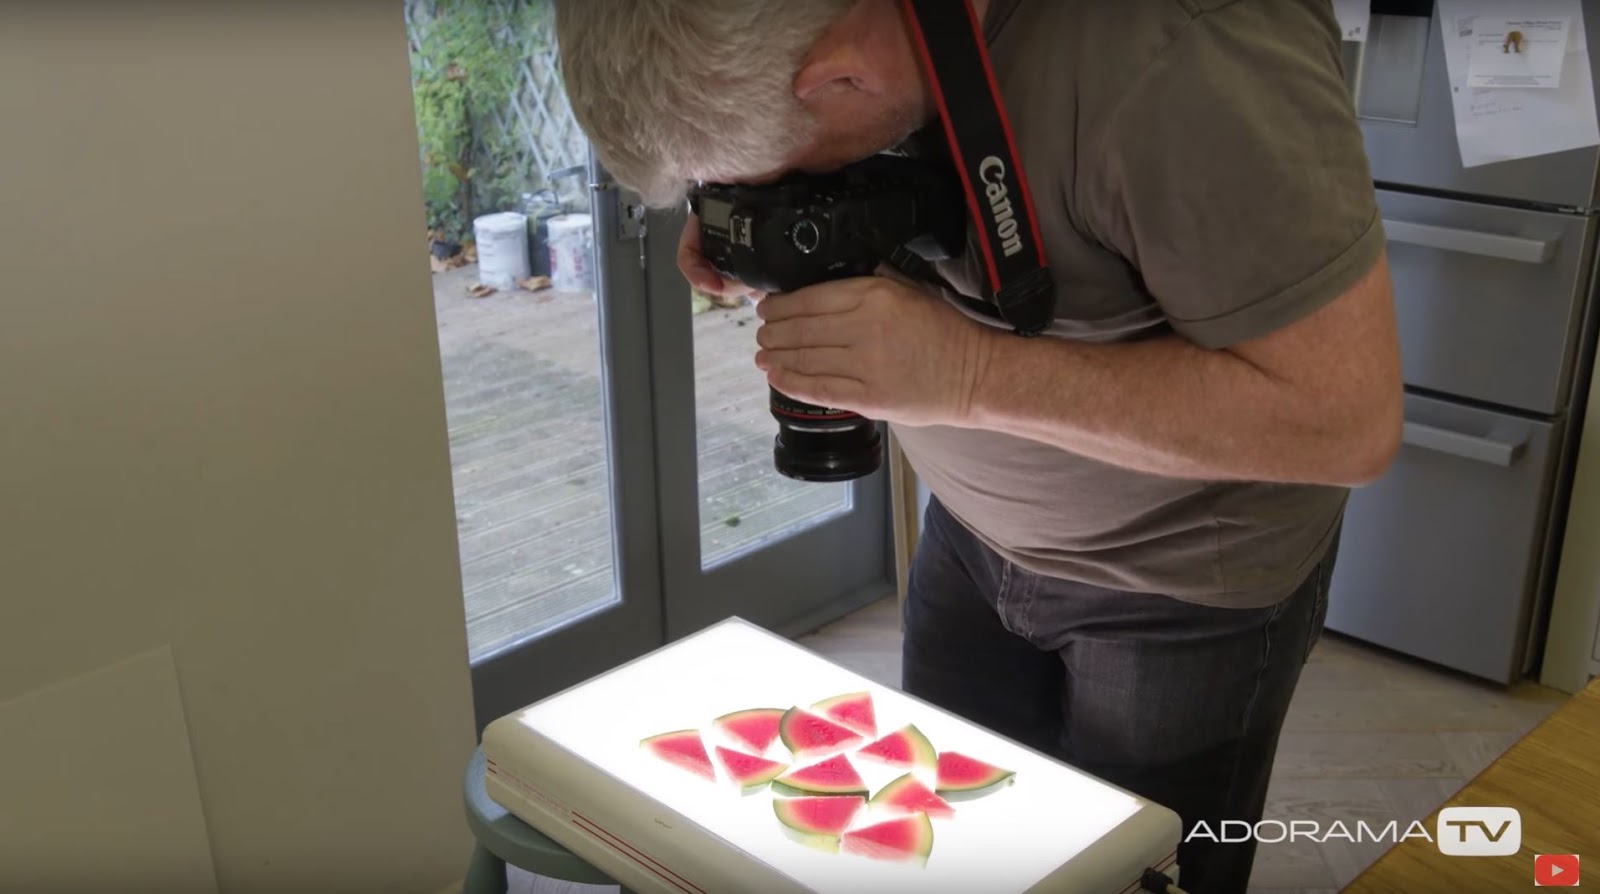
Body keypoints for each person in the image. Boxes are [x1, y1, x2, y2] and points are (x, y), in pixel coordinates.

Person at [552, 1, 1403, 890]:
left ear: (842, 75)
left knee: (1134, 878)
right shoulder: (838, 41)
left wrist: (965, 375)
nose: (768, 187)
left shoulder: (1189, 53)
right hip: (964, 540)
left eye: (789, 166)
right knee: (963, 864)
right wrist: (767, 213)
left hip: (1177, 588)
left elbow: (1344, 420)